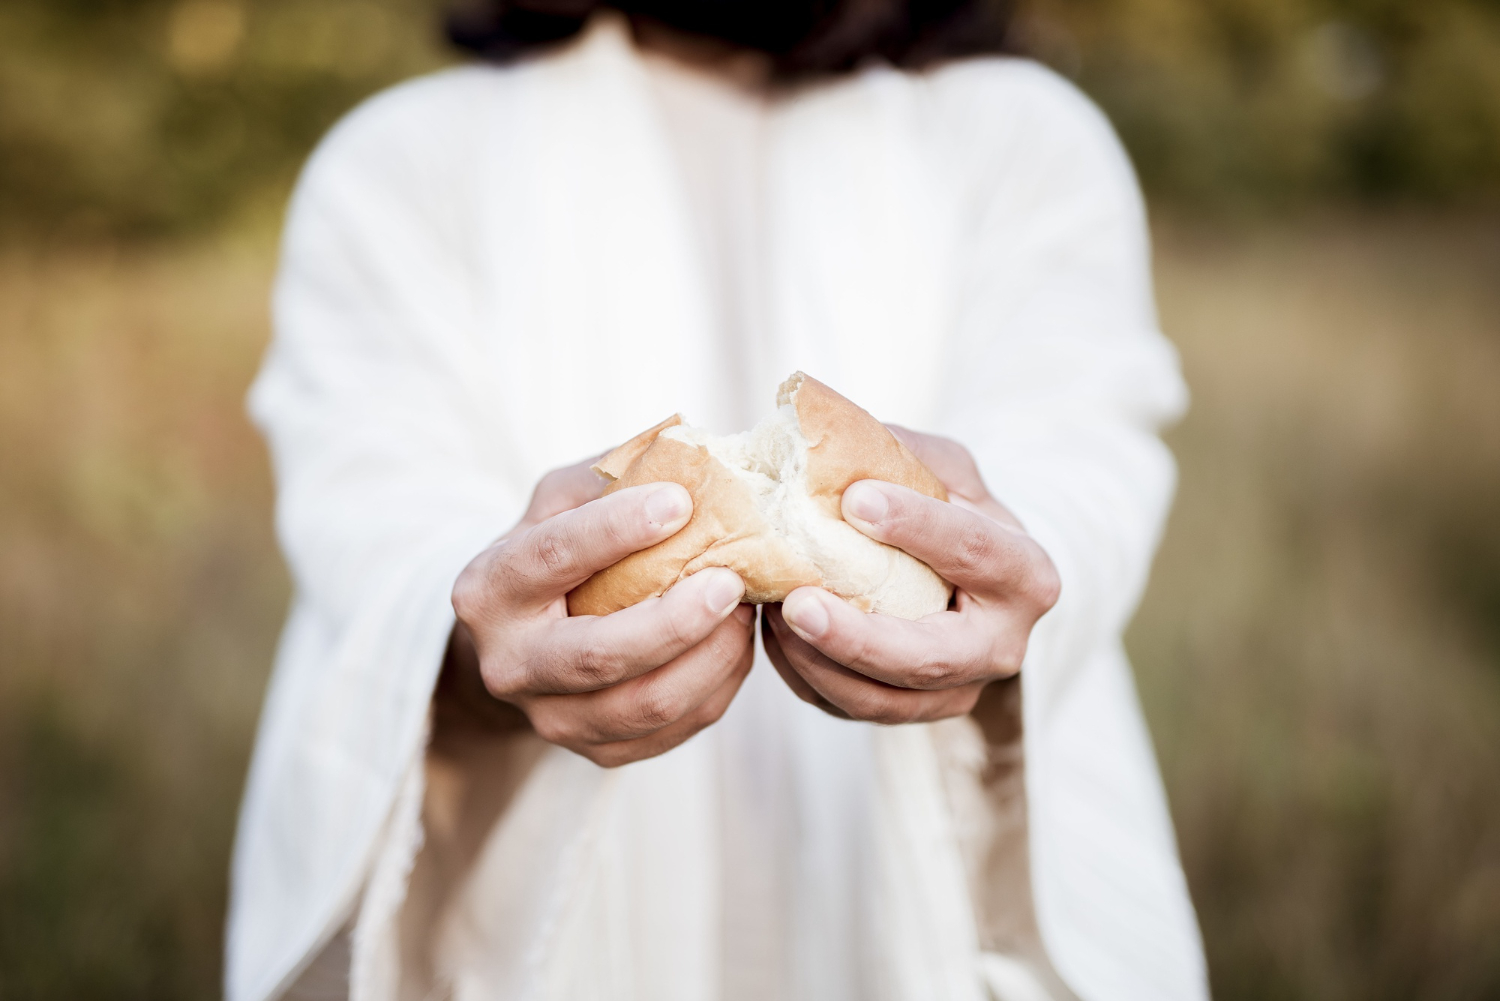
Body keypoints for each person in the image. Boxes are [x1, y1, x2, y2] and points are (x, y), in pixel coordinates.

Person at [228, 2, 1208, 999]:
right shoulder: (399, 164)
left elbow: (1083, 448)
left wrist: (1002, 571)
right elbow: (372, 510)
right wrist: (488, 643)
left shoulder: (1022, 138)